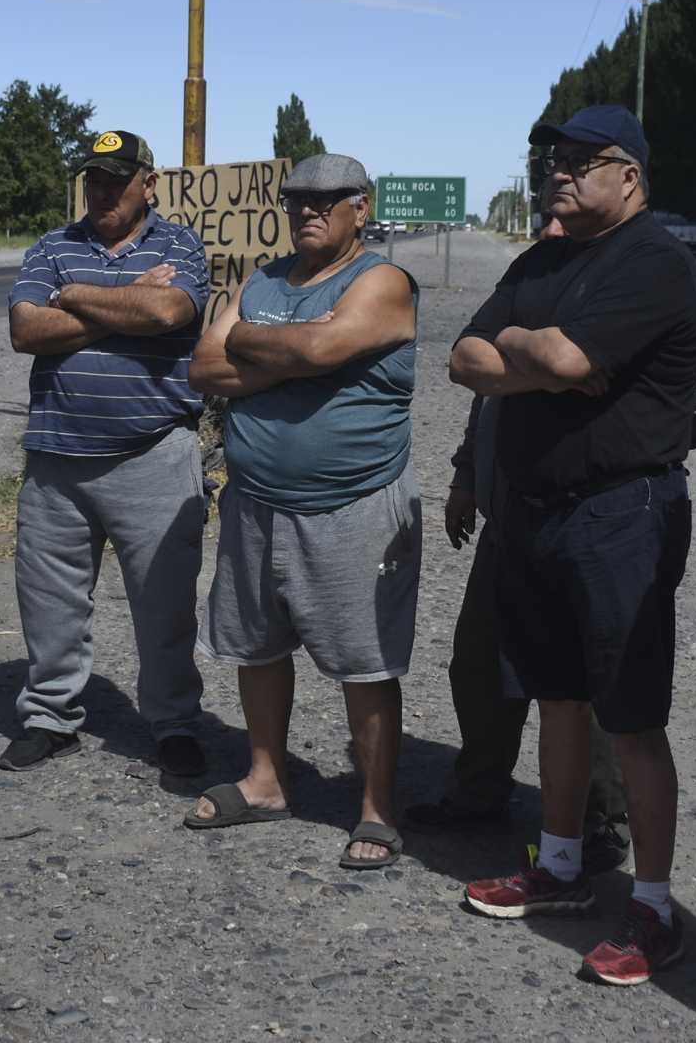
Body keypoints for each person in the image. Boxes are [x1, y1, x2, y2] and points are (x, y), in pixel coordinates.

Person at [449, 105, 696, 987]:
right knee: (557, 697)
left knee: (631, 716)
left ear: (628, 174)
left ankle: (654, 909)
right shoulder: (543, 257)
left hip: (621, 513)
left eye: (582, 159)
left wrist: (531, 354)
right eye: (554, 158)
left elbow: (550, 359)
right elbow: (464, 356)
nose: (560, 171)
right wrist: (534, 351)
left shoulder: (655, 263)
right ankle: (557, 869)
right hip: (538, 509)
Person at [410, 215, 696, 875]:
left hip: (592, 516)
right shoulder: (532, 284)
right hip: (511, 515)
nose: (557, 227)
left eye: (571, 222)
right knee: (482, 666)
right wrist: (467, 471)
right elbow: (480, 381)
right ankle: (480, 792)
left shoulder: (628, 300)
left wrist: (641, 430)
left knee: (592, 686)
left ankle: (597, 822)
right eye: (548, 219)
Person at [185, 153, 421, 870]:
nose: (308, 210)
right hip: (256, 502)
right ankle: (266, 781)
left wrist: (258, 344)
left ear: (360, 206)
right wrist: (302, 356)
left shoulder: (381, 279)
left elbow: (320, 344)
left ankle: (377, 810)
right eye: (297, 200)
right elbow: (203, 367)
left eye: (327, 199)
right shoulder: (263, 279)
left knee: (365, 659)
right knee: (256, 647)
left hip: (352, 503)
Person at [0, 130, 210, 777]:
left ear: (150, 183)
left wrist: (74, 295)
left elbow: (170, 311)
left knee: (164, 606)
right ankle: (50, 716)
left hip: (153, 454)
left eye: (116, 181)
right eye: (93, 180)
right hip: (57, 457)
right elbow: (24, 329)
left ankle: (173, 723)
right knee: (49, 600)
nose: (102, 192)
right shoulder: (53, 245)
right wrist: (124, 301)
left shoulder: (179, 246)